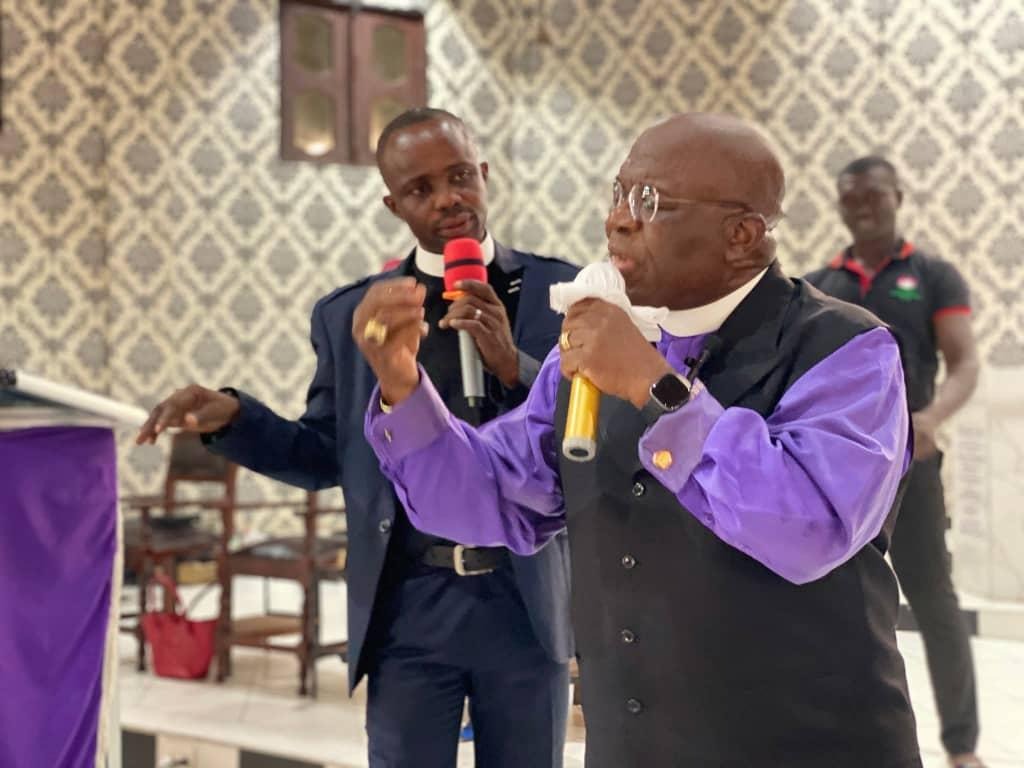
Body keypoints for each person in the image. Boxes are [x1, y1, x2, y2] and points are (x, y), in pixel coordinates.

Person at [355, 112, 923, 767]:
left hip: (811, 744)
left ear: (741, 235)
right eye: (619, 193)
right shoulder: (592, 349)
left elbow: (810, 528)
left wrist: (657, 391)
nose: (618, 220)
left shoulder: (846, 349)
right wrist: (402, 387)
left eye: (649, 201)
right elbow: (490, 495)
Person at [136, 107, 577, 768]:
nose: (448, 198)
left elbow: (584, 439)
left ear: (484, 174)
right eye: (421, 189)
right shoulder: (356, 315)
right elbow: (324, 455)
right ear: (393, 204)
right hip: (409, 602)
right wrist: (235, 419)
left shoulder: (556, 293)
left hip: (527, 599)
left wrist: (516, 367)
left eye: (460, 177)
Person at [805, 156, 983, 768]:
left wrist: (930, 419)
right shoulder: (819, 284)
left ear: (898, 197)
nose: (863, 208)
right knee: (831, 599)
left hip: (914, 467)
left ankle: (961, 745)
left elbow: (964, 362)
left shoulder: (932, 276)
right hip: (838, 473)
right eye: (850, 198)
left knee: (934, 599)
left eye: (874, 196)